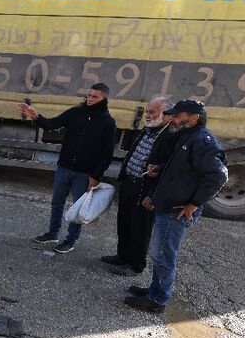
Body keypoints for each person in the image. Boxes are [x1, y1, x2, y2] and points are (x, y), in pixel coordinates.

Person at [124, 99, 228, 313]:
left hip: (178, 211)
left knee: (163, 254)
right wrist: (159, 170)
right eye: (171, 115)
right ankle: (154, 289)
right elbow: (179, 171)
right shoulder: (187, 137)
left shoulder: (203, 141)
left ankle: (158, 300)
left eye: (177, 115)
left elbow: (218, 176)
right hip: (167, 205)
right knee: (158, 253)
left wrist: (194, 204)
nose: (172, 118)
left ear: (193, 117)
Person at [18, 83, 117, 254]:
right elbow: (52, 124)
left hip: (84, 174)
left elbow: (106, 154)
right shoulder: (75, 113)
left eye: (95, 97)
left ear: (104, 99)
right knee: (57, 202)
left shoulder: (108, 123)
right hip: (64, 168)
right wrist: (36, 117)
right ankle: (52, 233)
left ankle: (70, 241)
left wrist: (96, 176)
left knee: (78, 209)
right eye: (89, 95)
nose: (90, 99)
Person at [102, 97, 177, 276]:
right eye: (147, 111)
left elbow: (167, 169)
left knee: (140, 227)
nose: (147, 116)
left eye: (152, 112)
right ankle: (122, 256)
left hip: (145, 188)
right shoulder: (149, 129)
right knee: (125, 222)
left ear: (167, 116)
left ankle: (135, 264)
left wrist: (153, 195)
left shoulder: (170, 137)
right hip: (130, 182)